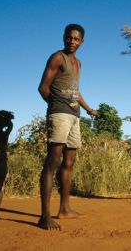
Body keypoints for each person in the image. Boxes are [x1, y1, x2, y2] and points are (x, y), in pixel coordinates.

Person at [37, 24, 98, 230]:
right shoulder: (57, 58)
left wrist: (88, 109)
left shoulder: (78, 63)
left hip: (74, 115)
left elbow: (74, 91)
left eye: (76, 39)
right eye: (69, 38)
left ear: (82, 42)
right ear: (64, 37)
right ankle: (45, 216)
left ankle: (64, 209)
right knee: (53, 160)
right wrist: (56, 107)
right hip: (60, 113)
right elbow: (43, 87)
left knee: (69, 162)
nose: (72, 41)